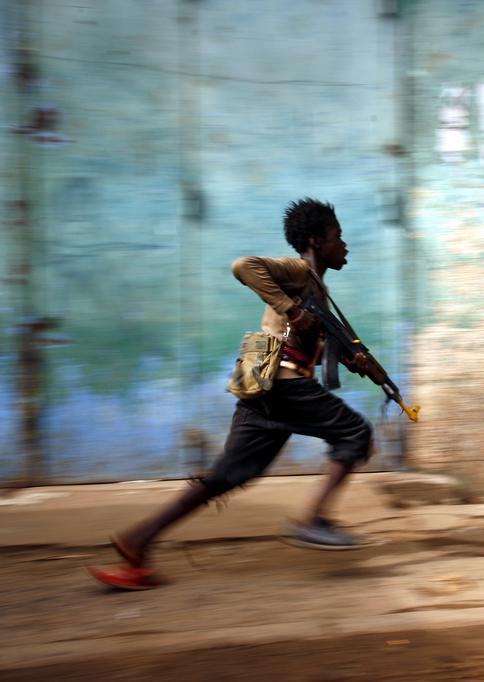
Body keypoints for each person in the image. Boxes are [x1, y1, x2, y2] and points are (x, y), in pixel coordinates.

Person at [91, 198, 375, 589]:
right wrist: (291, 311)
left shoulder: (315, 287)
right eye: (338, 238)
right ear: (315, 240)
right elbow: (243, 266)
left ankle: (136, 541)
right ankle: (314, 520)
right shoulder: (297, 271)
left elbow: (307, 339)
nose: (344, 246)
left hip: (265, 388)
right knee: (356, 433)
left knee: (226, 476)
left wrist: (350, 359)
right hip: (285, 384)